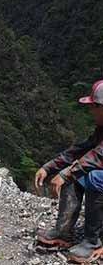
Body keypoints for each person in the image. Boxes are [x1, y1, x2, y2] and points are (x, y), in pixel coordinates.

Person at [35, 81, 103, 263]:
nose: (91, 111)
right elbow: (81, 150)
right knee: (75, 178)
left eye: (93, 107)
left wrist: (65, 173)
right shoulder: (101, 129)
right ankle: (63, 232)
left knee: (94, 177)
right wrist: (49, 167)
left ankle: (93, 242)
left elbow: (97, 156)